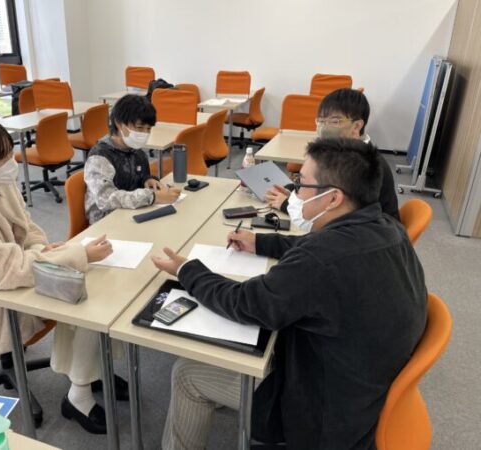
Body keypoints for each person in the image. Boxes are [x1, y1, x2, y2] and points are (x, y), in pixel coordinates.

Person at [152, 138, 427, 450]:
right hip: (364, 387)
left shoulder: (321, 260)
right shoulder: (386, 227)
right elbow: (315, 249)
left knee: (186, 373)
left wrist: (187, 270)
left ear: (333, 198)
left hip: (324, 411)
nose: (294, 192)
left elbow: (246, 303)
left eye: (302, 184)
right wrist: (261, 243)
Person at [0, 113, 121, 435]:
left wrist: (44, 250)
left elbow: (26, 226)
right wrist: (73, 256)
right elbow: (1, 271)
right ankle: (79, 394)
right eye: (2, 157)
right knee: (87, 296)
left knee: (97, 278)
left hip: (4, 277)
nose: (10, 162)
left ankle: (89, 370)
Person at [266, 88, 400, 220]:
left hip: (370, 229)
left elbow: (331, 213)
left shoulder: (363, 164)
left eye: (335, 121)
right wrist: (291, 191)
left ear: (357, 126)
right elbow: (319, 186)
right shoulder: (341, 152)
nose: (324, 128)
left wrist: (286, 204)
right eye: (321, 121)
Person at [84, 94, 181, 224]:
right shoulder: (100, 156)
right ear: (119, 124)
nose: (145, 133)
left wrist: (148, 180)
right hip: (106, 221)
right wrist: (153, 197)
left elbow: (138, 177)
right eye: (139, 127)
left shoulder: (136, 151)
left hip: (133, 212)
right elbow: (106, 199)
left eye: (148, 129)